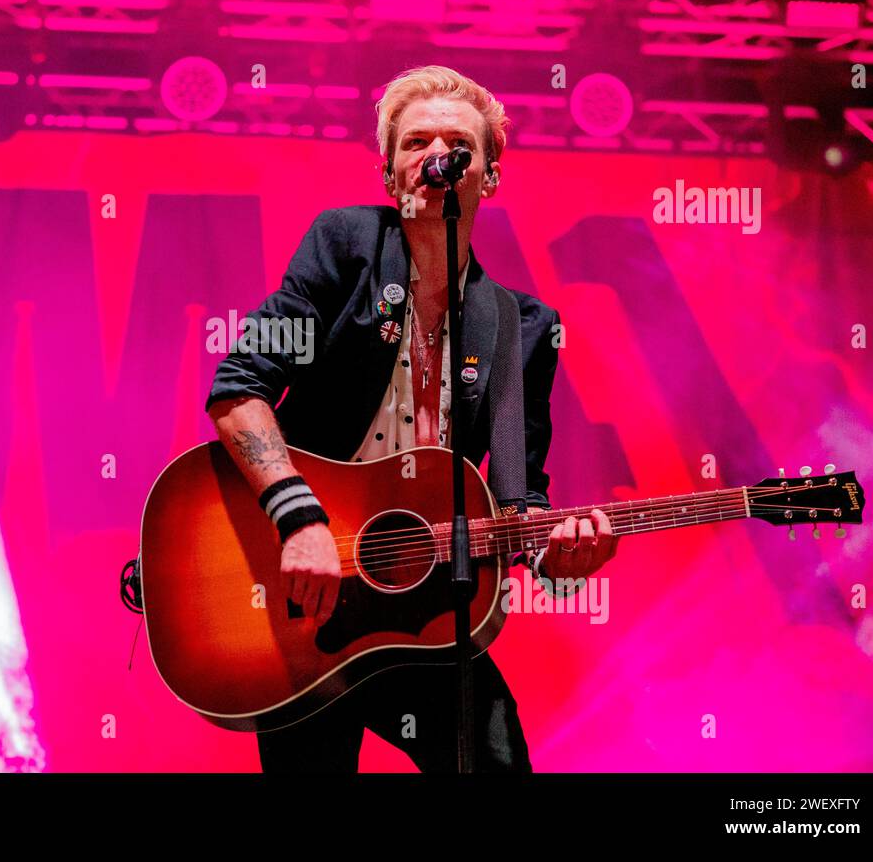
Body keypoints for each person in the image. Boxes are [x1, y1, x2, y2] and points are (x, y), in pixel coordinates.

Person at [205, 65, 620, 772]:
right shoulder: (344, 246)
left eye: (458, 143)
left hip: (425, 617)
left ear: (488, 176)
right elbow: (239, 384)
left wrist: (564, 560)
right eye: (415, 142)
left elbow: (519, 502)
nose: (436, 155)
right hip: (308, 600)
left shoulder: (520, 328)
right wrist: (299, 518)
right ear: (390, 171)